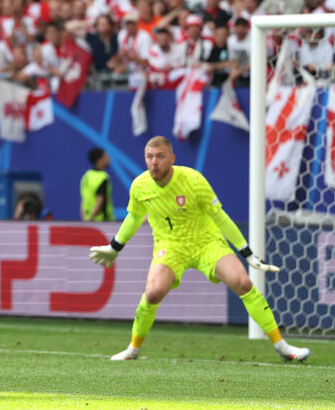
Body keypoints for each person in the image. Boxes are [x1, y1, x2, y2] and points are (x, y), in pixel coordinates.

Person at [89, 136, 310, 363]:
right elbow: (134, 217)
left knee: (243, 283)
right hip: (170, 246)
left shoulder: (193, 180)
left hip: (207, 242)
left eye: (160, 156)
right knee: (153, 293)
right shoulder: (140, 186)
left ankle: (283, 347)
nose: (154, 162)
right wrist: (114, 247)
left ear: (172, 158)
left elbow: (220, 217)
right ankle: (133, 349)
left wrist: (247, 253)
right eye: (149, 157)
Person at [80, 147, 113, 222]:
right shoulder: (103, 178)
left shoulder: (86, 176)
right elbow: (100, 200)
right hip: (102, 222)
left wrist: (84, 220)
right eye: (105, 155)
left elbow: (83, 200)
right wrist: (91, 220)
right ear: (99, 160)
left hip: (87, 219)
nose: (108, 157)